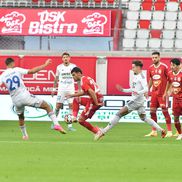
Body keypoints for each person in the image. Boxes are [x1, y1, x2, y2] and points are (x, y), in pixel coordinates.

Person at [95, 60, 166, 141]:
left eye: (133, 67)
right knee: (144, 118)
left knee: (119, 114)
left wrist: (138, 92)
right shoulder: (136, 76)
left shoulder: (141, 77)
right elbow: (133, 89)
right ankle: (161, 130)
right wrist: (124, 90)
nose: (132, 69)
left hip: (135, 101)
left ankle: (103, 131)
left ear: (138, 67)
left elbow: (146, 89)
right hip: (140, 101)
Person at [0, 57, 66, 140]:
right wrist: (45, 65)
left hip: (15, 101)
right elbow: (32, 71)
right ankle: (56, 124)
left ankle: (25, 135)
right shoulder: (16, 69)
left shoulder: (2, 76)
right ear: (12, 63)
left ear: (6, 64)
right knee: (47, 106)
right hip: (25, 97)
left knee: (21, 117)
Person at [66, 67, 103, 135]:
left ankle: (98, 132)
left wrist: (96, 103)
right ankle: (74, 117)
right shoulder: (86, 78)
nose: (73, 77)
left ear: (79, 73)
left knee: (81, 120)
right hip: (97, 98)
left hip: (94, 100)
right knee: (77, 99)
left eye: (73, 75)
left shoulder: (83, 82)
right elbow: (85, 92)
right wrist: (72, 95)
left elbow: (92, 92)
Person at [145, 51, 172, 137]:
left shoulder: (164, 67)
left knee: (165, 112)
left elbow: (170, 80)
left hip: (162, 94)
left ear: (159, 57)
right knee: (152, 112)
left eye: (156, 57)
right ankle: (154, 131)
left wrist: (168, 91)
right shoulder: (150, 68)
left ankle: (170, 131)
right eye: (153, 58)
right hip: (154, 94)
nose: (154, 59)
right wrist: (147, 90)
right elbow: (151, 80)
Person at [51, 52, 76, 131]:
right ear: (62, 59)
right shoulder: (59, 67)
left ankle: (70, 126)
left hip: (70, 89)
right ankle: (55, 124)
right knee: (58, 106)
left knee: (71, 106)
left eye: (67, 57)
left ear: (69, 58)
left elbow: (78, 78)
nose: (65, 58)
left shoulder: (73, 66)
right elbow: (56, 79)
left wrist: (79, 89)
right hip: (61, 89)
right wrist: (54, 89)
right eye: (64, 57)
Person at [164, 58, 182, 140]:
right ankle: (180, 133)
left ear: (178, 66)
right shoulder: (170, 74)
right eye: (171, 65)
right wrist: (166, 92)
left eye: (173, 65)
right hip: (175, 100)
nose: (171, 67)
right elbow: (169, 82)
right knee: (175, 118)